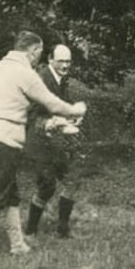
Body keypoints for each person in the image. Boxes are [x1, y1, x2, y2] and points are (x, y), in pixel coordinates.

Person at [0, 31, 86, 254]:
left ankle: (18, 245)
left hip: (3, 138)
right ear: (34, 51)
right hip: (4, 141)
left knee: (11, 195)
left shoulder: (0, 67)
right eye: (38, 52)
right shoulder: (25, 72)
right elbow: (51, 103)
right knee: (0, 194)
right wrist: (75, 110)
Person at [24, 44, 82, 238]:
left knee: (73, 181)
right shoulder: (40, 79)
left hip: (59, 142)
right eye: (61, 61)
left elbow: (61, 106)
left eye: (68, 61)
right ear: (50, 59)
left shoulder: (62, 79)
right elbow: (29, 113)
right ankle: (30, 231)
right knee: (47, 187)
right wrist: (49, 121)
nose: (65, 65)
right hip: (40, 142)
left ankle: (63, 229)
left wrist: (72, 115)